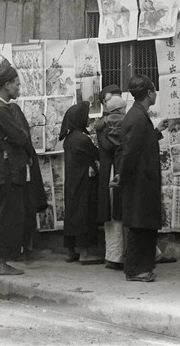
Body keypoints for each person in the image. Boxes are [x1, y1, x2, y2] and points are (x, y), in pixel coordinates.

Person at [0, 67, 42, 276]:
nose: (18, 87)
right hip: (5, 172)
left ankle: (3, 260)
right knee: (6, 217)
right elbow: (21, 136)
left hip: (2, 171)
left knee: (7, 215)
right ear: (7, 85)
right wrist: (16, 138)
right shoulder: (0, 109)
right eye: (17, 83)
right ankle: (0, 263)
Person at [111, 75, 169, 282]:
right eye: (154, 90)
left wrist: (157, 131)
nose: (155, 94)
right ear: (150, 93)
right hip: (138, 182)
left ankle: (141, 267)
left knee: (145, 224)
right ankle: (135, 270)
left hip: (143, 180)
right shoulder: (136, 117)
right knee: (139, 225)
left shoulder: (138, 115)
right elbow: (130, 151)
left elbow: (141, 142)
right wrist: (122, 176)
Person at [60, 101, 103, 265]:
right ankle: (85, 253)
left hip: (72, 183)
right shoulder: (81, 139)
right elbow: (97, 154)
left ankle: (71, 251)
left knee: (72, 214)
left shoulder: (69, 138)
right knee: (85, 215)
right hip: (84, 183)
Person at [94, 86, 127, 270]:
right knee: (119, 214)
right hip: (117, 171)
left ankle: (112, 255)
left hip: (107, 171)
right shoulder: (121, 125)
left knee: (111, 215)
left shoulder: (101, 125)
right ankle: (118, 256)